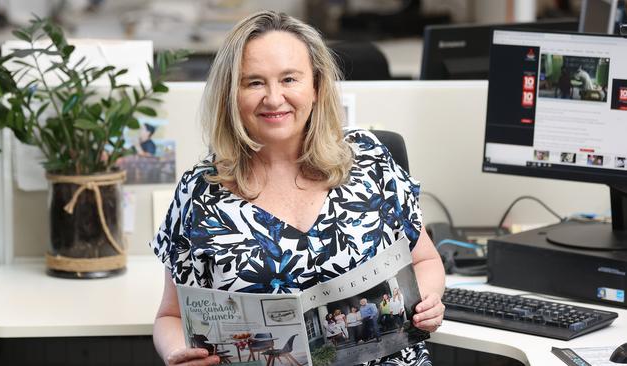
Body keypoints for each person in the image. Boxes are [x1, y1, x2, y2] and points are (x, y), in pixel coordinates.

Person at [151, 10, 445, 366]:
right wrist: (175, 352)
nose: (274, 99)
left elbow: (425, 260)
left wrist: (428, 302)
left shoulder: (369, 160)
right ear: (231, 93)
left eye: (289, 79)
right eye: (254, 82)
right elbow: (171, 316)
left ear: (317, 85)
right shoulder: (200, 193)